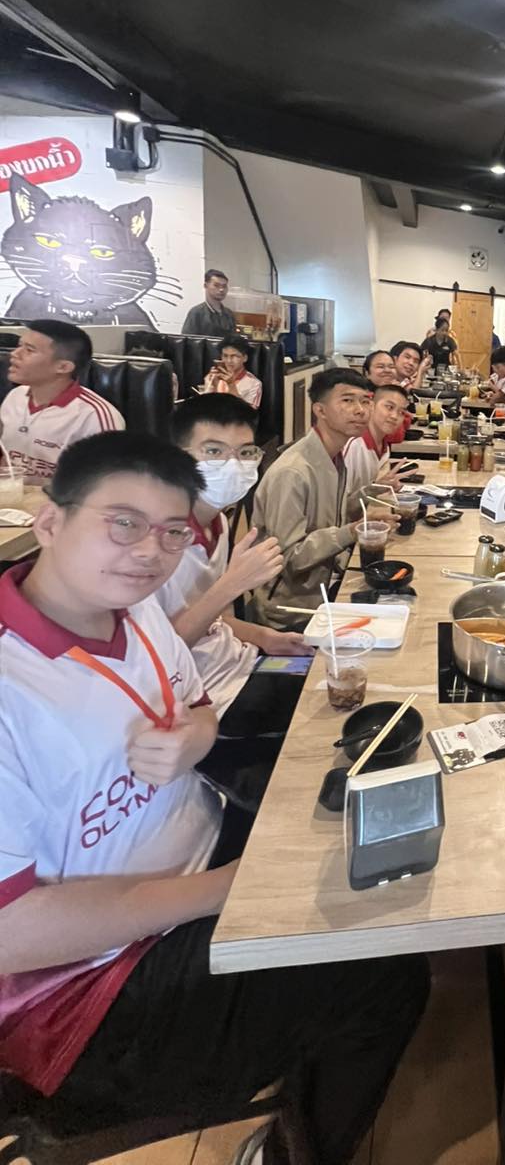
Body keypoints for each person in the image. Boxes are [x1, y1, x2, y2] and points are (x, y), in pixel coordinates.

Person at [0, 431, 428, 1165]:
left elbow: (197, 705)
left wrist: (195, 741)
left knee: (359, 808)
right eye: (123, 523)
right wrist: (231, 887)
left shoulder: (134, 612)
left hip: (203, 855)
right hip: (90, 995)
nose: (150, 552)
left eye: (172, 532)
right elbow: (12, 933)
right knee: (385, 970)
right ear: (50, 521)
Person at [160, 393, 311, 739]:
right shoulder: (156, 540)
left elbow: (216, 619)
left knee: (343, 670)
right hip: (204, 700)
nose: (232, 465)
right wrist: (232, 584)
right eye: (213, 451)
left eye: (244, 453)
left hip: (241, 663)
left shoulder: (219, 522)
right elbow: (159, 655)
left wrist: (264, 637)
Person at [249, 368, 372, 627]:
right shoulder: (293, 472)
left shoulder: (333, 456)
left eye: (365, 401)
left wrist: (369, 500)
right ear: (320, 410)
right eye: (347, 400)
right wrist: (350, 532)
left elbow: (328, 515)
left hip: (324, 591)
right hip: (289, 612)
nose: (360, 410)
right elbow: (290, 557)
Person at [0, 320, 124, 482]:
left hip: (60, 498)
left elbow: (109, 483)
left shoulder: (94, 416)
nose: (15, 354)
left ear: (63, 367)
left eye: (29, 350)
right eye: (19, 346)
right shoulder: (15, 397)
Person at [343, 383, 416, 498]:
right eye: (389, 407)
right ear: (371, 406)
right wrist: (373, 489)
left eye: (401, 412)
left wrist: (378, 487)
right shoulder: (354, 445)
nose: (394, 416)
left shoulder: (384, 446)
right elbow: (336, 504)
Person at [201, 333, 263, 410]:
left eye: (234, 356)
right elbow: (205, 409)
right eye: (225, 356)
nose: (229, 361)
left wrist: (231, 385)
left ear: (245, 358)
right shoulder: (216, 377)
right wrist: (210, 387)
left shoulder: (254, 383)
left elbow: (249, 414)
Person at [181, 268, 236, 336]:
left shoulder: (229, 314)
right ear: (205, 285)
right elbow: (187, 340)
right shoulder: (196, 313)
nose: (221, 289)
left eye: (224, 286)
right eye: (216, 285)